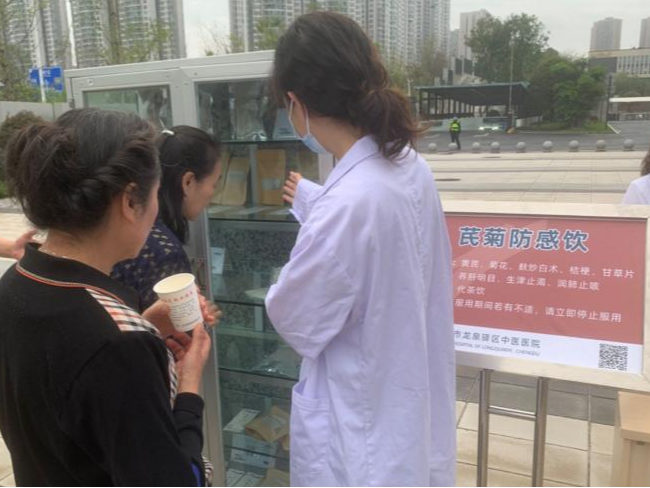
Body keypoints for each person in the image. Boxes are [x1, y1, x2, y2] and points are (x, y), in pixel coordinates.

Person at [266, 11, 456, 488]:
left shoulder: (347, 204)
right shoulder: (409, 166)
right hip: (406, 405)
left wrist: (314, 221)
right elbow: (382, 250)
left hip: (364, 430)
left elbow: (295, 319)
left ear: (296, 102)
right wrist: (317, 204)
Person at [0, 109, 215, 487]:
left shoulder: (13, 286)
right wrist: (189, 384)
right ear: (130, 201)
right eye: (154, 193)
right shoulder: (121, 344)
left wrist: (142, 324)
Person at [112, 126, 223, 310]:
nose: (213, 195)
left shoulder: (129, 227)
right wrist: (198, 318)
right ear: (188, 182)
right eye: (214, 184)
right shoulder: (164, 252)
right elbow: (176, 326)